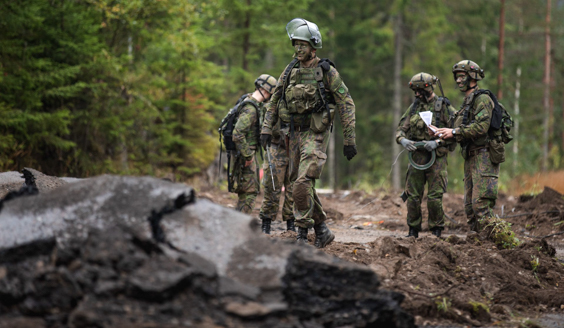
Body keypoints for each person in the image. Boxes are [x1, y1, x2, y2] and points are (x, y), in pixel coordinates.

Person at [260, 18, 357, 248]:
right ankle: (321, 228)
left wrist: (349, 139)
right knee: (298, 185)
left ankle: (302, 234)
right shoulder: (291, 69)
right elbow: (275, 98)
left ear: (314, 47)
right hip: (293, 134)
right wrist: (266, 127)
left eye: (303, 45)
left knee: (302, 183)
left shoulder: (326, 71)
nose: (298, 49)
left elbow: (346, 102)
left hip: (315, 134)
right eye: (296, 44)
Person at [433, 60, 498, 232]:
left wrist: (454, 132)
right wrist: (442, 134)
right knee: (469, 207)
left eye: (462, 76)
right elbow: (461, 130)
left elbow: (481, 128)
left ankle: (500, 241)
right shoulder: (467, 102)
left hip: (484, 156)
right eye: (457, 77)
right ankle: (477, 243)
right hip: (471, 156)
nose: (458, 81)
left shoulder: (482, 99)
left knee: (481, 205)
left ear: (473, 77)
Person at [396, 73, 456, 238]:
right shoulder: (414, 107)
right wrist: (402, 140)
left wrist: (437, 143)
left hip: (436, 158)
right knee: (413, 195)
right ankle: (413, 230)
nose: (417, 94)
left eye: (420, 90)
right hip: (416, 158)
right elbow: (402, 127)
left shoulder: (443, 106)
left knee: (434, 196)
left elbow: (457, 132)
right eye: (415, 90)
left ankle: (436, 230)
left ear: (429, 88)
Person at [232, 74, 277, 214]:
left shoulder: (248, 102)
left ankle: (237, 226)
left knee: (245, 193)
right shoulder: (251, 109)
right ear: (265, 90)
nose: (270, 96)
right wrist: (248, 156)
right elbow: (237, 133)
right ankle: (241, 228)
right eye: (270, 93)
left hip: (247, 153)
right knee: (250, 193)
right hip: (247, 155)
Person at [259, 113, 295, 234]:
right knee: (272, 187)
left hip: (295, 147)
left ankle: (292, 223)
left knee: (294, 189)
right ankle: (266, 223)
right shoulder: (275, 101)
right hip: (276, 146)